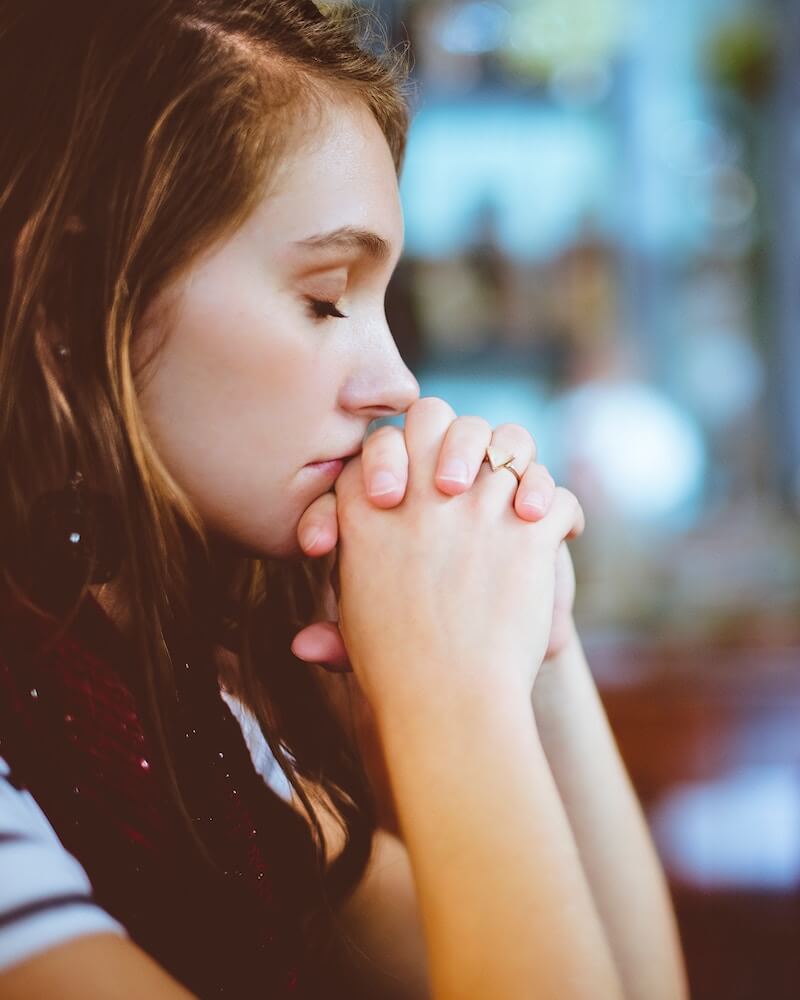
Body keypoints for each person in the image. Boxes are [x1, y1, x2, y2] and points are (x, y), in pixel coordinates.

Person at [0, 1, 688, 997]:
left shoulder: (179, 713)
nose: (398, 384)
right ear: (72, 293)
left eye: (382, 302)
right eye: (325, 297)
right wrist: (449, 699)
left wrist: (529, 638)